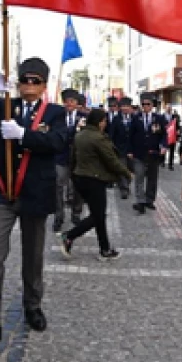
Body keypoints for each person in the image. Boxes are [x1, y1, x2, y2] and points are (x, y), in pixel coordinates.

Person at [0, 57, 69, 356]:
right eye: (24, 80)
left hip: (35, 193)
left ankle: (32, 305)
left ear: (44, 86)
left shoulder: (56, 112)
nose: (29, 85)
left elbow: (58, 142)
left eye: (35, 81)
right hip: (2, 192)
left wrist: (24, 136)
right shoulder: (4, 106)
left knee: (32, 255)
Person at [60, 108, 132, 261]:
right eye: (104, 121)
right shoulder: (98, 138)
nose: (105, 123)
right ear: (99, 122)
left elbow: (73, 159)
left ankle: (104, 249)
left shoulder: (79, 135)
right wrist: (126, 173)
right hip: (94, 180)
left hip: (80, 178)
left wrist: (73, 175)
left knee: (97, 214)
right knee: (98, 216)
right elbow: (111, 160)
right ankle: (69, 236)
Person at [53, 89, 85, 233]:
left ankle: (76, 213)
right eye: (66, 101)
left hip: (79, 158)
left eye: (72, 101)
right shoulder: (58, 117)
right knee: (58, 187)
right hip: (61, 156)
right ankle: (58, 216)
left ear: (77, 103)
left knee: (78, 187)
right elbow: (60, 134)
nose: (69, 104)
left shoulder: (84, 117)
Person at [130, 94, 167, 214]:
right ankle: (140, 201)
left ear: (152, 105)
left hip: (153, 153)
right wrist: (130, 151)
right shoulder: (136, 118)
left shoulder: (159, 118)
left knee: (152, 177)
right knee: (139, 176)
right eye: (143, 104)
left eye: (148, 104)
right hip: (139, 153)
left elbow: (164, 135)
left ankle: (149, 200)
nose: (145, 106)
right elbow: (131, 135)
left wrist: (163, 145)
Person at [108, 97, 136, 200]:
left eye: (127, 106)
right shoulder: (116, 119)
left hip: (133, 149)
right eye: (123, 106)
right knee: (122, 168)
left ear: (130, 107)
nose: (125, 108)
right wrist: (112, 147)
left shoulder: (135, 118)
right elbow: (112, 134)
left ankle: (126, 184)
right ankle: (124, 189)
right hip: (120, 149)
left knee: (131, 169)